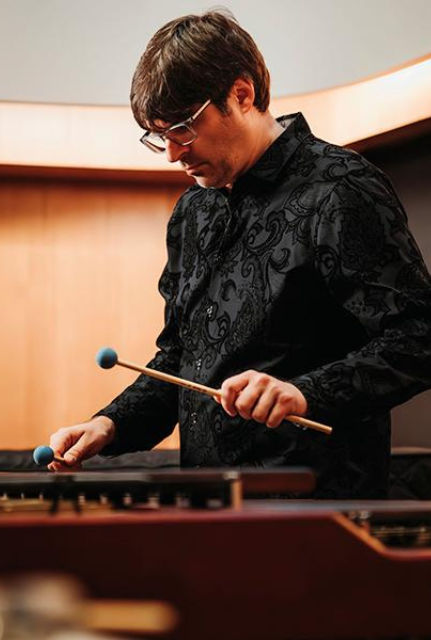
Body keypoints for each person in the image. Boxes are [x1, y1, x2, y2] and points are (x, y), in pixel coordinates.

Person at [49, 10, 431, 498]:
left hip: (318, 513)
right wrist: (111, 424)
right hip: (211, 508)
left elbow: (419, 336)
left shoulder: (340, 188)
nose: (172, 153)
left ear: (242, 94)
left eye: (183, 128)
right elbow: (182, 362)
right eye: (158, 136)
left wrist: (305, 393)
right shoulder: (194, 211)